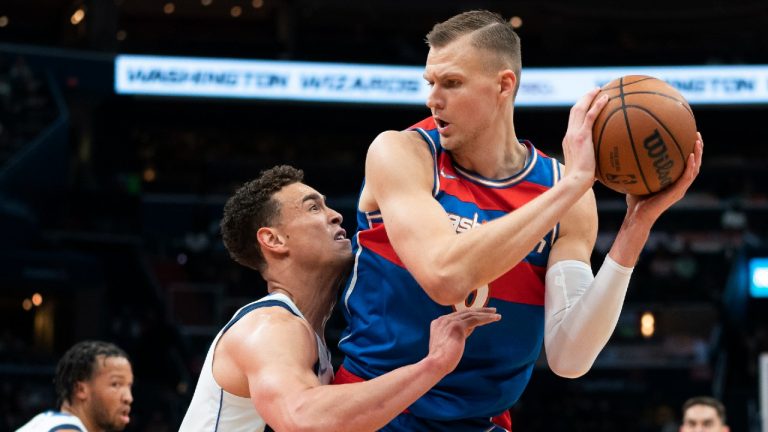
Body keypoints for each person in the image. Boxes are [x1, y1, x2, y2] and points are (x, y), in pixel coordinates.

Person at [334, 9, 704, 431]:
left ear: (503, 85)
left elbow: (570, 357)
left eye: (451, 83)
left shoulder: (564, 190)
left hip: (479, 421)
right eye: (431, 83)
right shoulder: (402, 153)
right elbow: (445, 275)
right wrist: (573, 186)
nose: (433, 99)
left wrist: (636, 225)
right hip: (371, 412)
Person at [178, 165, 500, 432]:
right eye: (313, 207)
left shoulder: (308, 341)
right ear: (273, 239)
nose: (335, 215)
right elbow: (301, 417)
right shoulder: (270, 326)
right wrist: (433, 365)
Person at [16, 341, 134, 432]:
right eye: (115, 384)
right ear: (80, 389)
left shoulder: (46, 420)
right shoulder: (66, 429)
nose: (128, 398)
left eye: (129, 386)